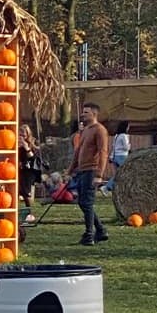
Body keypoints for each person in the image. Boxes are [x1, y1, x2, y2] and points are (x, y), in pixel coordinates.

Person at [68, 102, 109, 246]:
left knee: (87, 202)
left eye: (86, 112)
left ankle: (89, 234)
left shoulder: (100, 130)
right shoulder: (85, 131)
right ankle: (101, 230)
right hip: (82, 170)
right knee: (83, 202)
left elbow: (103, 152)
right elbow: (78, 152)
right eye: (83, 112)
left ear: (94, 114)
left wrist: (99, 174)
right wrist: (71, 169)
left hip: (92, 170)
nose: (82, 115)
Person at [18, 124, 44, 222]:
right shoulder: (16, 144)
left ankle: (29, 213)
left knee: (25, 192)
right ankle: (18, 211)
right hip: (20, 169)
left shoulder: (31, 144)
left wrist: (26, 147)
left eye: (23, 135)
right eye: (19, 135)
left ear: (28, 135)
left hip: (29, 170)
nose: (21, 137)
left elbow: (32, 158)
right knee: (18, 190)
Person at [101, 121, 130, 195]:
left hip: (115, 156)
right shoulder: (124, 136)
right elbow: (126, 147)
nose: (129, 128)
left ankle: (113, 188)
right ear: (125, 127)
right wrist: (129, 145)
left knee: (118, 174)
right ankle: (107, 187)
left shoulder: (117, 135)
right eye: (128, 126)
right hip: (122, 156)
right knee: (124, 173)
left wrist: (111, 157)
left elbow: (114, 147)